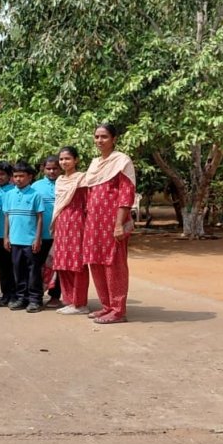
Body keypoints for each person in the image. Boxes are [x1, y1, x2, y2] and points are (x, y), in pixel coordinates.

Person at [82, 124, 136, 324]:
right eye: (96, 136)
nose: (99, 140)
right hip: (94, 223)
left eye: (104, 136)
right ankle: (106, 306)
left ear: (114, 139)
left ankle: (118, 310)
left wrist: (119, 224)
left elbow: (126, 194)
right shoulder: (95, 164)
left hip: (113, 222)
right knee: (96, 262)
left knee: (114, 265)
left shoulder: (122, 161)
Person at [50, 147, 90, 315]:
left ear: (76, 160)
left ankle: (80, 303)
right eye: (61, 159)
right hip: (61, 224)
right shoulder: (60, 180)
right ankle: (70, 301)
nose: (64, 162)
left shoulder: (82, 179)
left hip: (77, 223)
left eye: (67, 158)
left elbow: (87, 203)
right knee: (63, 263)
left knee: (77, 264)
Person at [3, 161, 45, 313]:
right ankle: (21, 297)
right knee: (18, 271)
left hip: (30, 241)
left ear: (30, 177)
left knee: (33, 272)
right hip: (15, 241)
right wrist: (6, 237)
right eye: (15, 176)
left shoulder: (35, 195)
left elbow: (40, 218)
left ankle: (35, 299)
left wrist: (37, 239)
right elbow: (7, 217)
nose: (18, 179)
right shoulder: (9, 195)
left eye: (21, 176)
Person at [32, 157, 61, 307]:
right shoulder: (36, 187)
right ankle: (36, 296)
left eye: (55, 168)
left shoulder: (65, 183)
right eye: (48, 168)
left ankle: (55, 296)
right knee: (37, 266)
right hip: (40, 235)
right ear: (43, 169)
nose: (52, 171)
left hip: (60, 235)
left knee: (58, 267)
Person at [0, 161, 16, 307]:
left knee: (13, 267)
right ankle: (6, 294)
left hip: (12, 236)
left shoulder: (14, 191)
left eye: (2, 174)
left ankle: (15, 295)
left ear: (9, 176)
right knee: (2, 268)